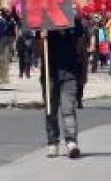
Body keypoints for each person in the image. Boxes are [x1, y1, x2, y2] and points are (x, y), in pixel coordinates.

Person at [37, 17, 87, 158]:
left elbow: (81, 47)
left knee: (68, 109)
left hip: (70, 73)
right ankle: (52, 143)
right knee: (50, 110)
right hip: (50, 74)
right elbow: (38, 53)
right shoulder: (43, 22)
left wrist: (84, 72)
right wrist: (42, 37)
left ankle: (71, 142)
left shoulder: (75, 21)